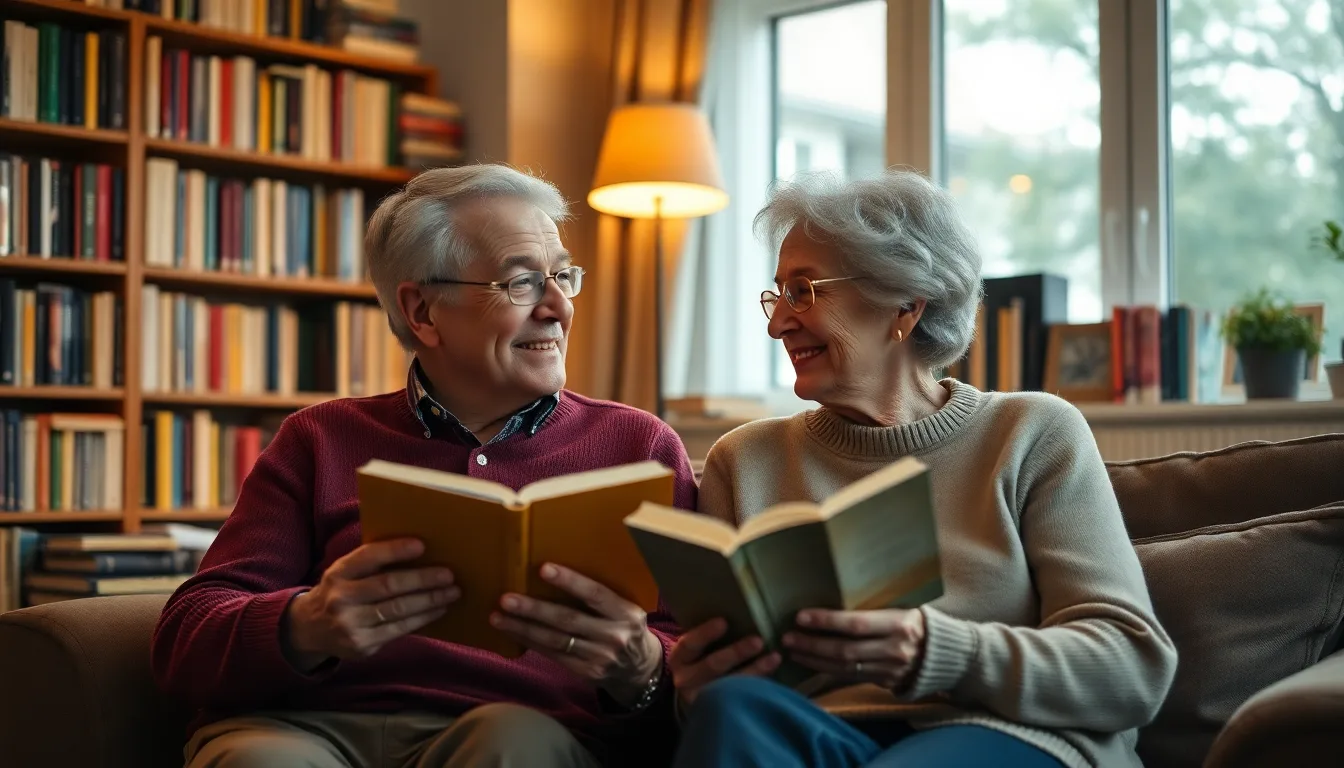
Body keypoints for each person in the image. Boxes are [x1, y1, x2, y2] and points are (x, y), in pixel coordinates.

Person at [150, 164, 697, 768]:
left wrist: (643, 665)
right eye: (521, 283)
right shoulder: (321, 438)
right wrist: (305, 624)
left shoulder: (638, 448)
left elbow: (696, 665)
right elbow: (186, 638)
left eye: (563, 276)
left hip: (513, 734)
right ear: (423, 311)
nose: (559, 307)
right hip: (311, 729)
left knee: (513, 745)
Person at [665, 169, 1178, 768]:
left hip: (1010, 737)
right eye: (776, 294)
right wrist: (695, 686)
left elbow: (1132, 667)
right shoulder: (743, 461)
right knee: (731, 711)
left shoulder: (1031, 432)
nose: (777, 322)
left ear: (904, 305)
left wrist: (934, 651)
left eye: (804, 291)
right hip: (824, 738)